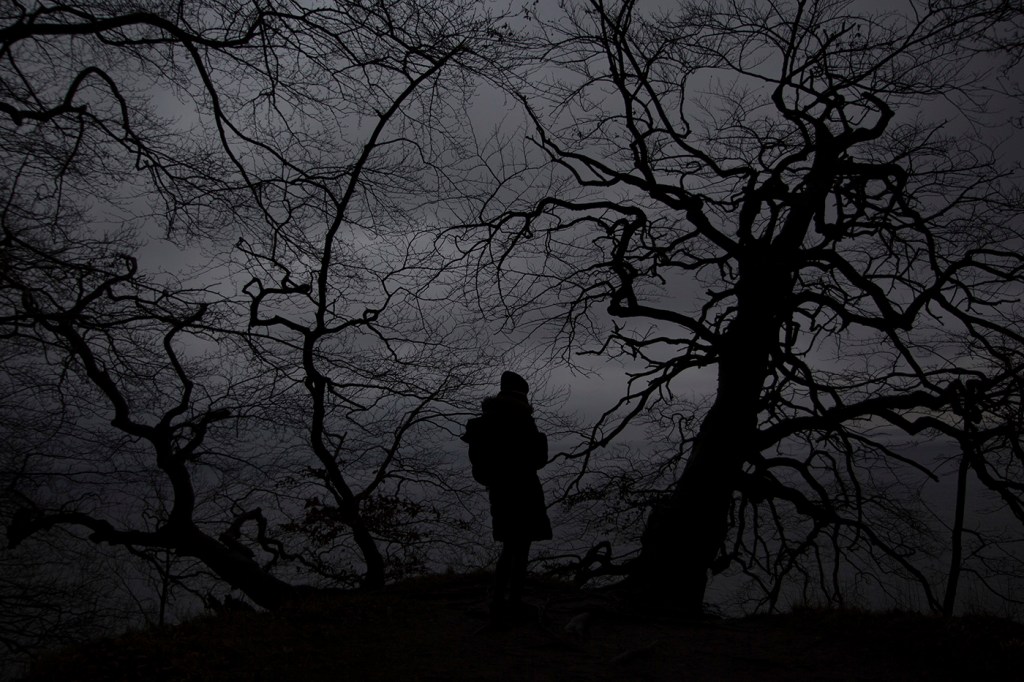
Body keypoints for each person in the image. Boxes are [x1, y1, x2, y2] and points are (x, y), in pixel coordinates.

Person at [462, 371, 552, 623]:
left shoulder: (485, 422)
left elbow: (481, 464)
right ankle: (510, 601)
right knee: (520, 546)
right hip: (524, 489)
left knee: (511, 544)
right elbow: (538, 458)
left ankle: (501, 599)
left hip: (500, 491)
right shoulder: (522, 420)